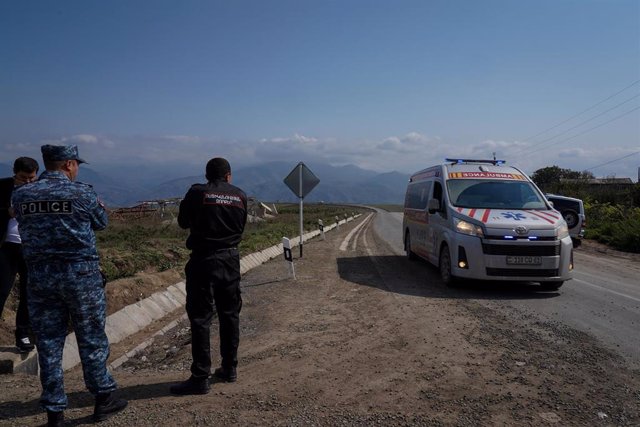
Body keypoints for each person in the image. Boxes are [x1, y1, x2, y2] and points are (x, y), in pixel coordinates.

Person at [12, 145, 127, 426]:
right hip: (80, 276)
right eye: (77, 165)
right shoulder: (82, 193)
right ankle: (103, 399)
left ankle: (55, 413)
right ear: (69, 165)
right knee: (91, 338)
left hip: (40, 277)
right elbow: (101, 222)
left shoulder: (21, 194)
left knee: (49, 344)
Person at [171, 157, 247, 395]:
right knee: (230, 315)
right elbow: (241, 227)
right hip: (231, 261)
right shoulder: (239, 195)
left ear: (206, 175)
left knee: (201, 318)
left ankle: (200, 376)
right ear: (228, 176)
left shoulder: (196, 193)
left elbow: (183, 222)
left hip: (203, 261)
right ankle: (229, 368)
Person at [0, 157, 39, 353]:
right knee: (1, 291)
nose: (28, 182)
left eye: (32, 178)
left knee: (28, 293)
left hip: (30, 247)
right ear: (15, 173)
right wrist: (7, 212)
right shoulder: (3, 186)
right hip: (6, 246)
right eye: (24, 178)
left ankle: (23, 334)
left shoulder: (40, 190)